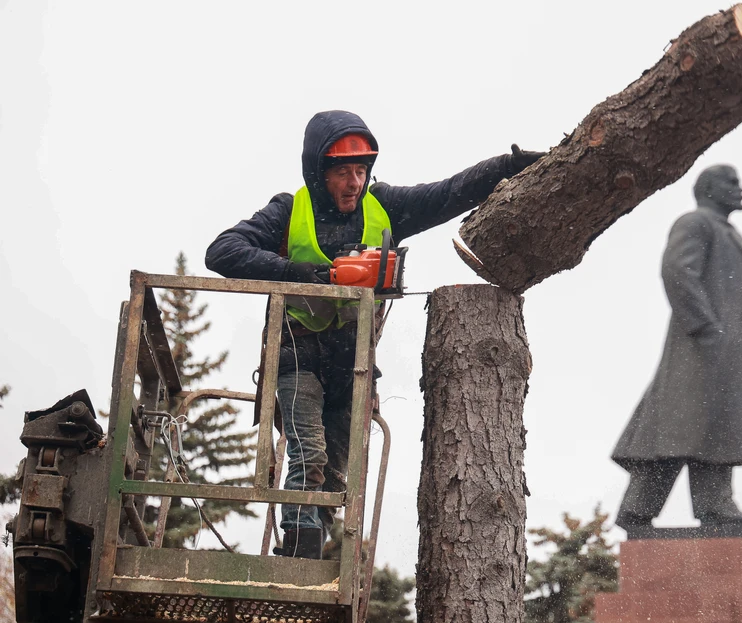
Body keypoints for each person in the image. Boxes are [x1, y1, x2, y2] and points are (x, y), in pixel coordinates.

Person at [206, 110, 543, 558]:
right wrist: (299, 273)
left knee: (335, 472)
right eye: (343, 172)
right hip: (297, 355)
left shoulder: (385, 207)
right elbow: (222, 252)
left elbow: (446, 193)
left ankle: (307, 552)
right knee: (309, 455)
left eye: (360, 171)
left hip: (355, 365)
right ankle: (296, 552)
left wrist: (507, 167)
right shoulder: (289, 210)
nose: (353, 182)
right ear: (318, 172)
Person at [611, 164, 742, 535]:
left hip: (727, 347)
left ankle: (716, 504)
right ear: (709, 189)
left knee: (716, 426)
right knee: (676, 427)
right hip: (699, 344)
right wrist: (705, 326)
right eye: (732, 181)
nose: (740, 187)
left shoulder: (733, 237)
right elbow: (677, 271)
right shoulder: (696, 223)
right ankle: (638, 509)